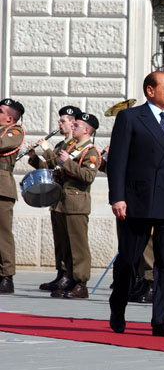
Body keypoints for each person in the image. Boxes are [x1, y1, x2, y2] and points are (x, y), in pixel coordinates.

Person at [107, 71, 164, 338]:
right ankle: (118, 305)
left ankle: (163, 321)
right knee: (129, 260)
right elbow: (117, 161)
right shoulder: (130, 117)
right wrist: (117, 197)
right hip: (137, 201)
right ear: (150, 91)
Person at [27, 105, 81, 291]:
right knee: (59, 240)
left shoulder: (76, 145)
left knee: (69, 241)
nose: (59, 124)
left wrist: (47, 150)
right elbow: (49, 168)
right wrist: (34, 157)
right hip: (56, 197)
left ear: (73, 123)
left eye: (63, 121)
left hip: (69, 197)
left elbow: (61, 165)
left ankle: (69, 276)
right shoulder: (60, 145)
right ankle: (61, 273)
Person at [50, 112, 102, 299]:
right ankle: (69, 279)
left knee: (78, 246)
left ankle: (81, 283)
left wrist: (67, 163)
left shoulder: (91, 152)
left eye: (76, 125)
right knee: (65, 245)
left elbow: (88, 176)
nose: (72, 127)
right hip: (62, 201)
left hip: (77, 203)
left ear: (86, 130)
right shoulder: (71, 147)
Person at [0, 99, 25, 294]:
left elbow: (2, 144)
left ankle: (6, 276)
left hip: (2, 188)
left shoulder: (15, 132)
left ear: (9, 118)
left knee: (2, 233)